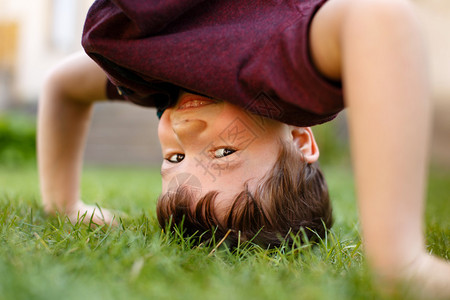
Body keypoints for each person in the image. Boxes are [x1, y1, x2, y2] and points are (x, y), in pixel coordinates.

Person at [37, 0, 450, 298]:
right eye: (223, 154)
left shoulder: (150, 76)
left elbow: (62, 86)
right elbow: (380, 17)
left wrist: (64, 205)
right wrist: (398, 261)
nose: (184, 128)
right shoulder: (282, 72)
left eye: (175, 159)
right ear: (300, 139)